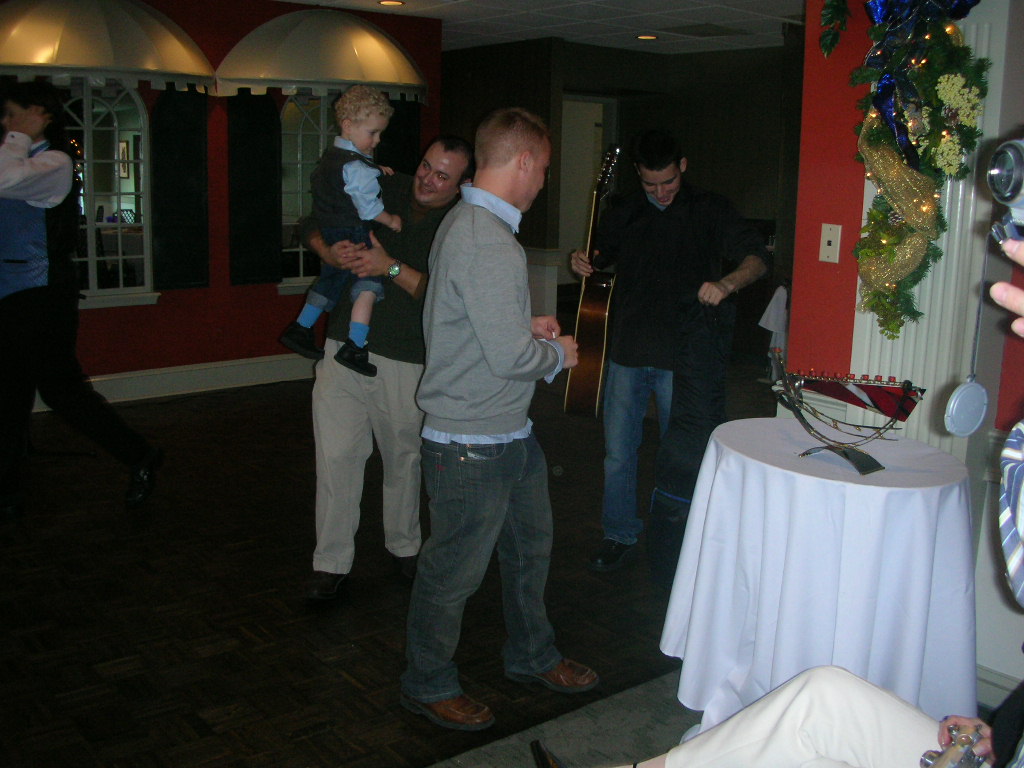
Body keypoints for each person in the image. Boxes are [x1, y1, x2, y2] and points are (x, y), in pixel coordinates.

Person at [400, 107, 598, 731]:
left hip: (506, 433)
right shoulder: (486, 238)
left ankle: (533, 655)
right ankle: (427, 683)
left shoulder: (468, 224)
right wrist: (558, 354)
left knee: (529, 553)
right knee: (452, 573)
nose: (542, 181)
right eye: (543, 168)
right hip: (471, 442)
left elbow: (456, 315)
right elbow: (511, 359)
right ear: (525, 161)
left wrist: (522, 326)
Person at [570, 129, 768, 583]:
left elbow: (757, 259)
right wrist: (582, 261)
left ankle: (686, 541)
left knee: (683, 456)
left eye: (668, 183)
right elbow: (598, 258)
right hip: (628, 350)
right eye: (650, 184)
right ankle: (619, 534)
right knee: (618, 455)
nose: (660, 193)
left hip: (685, 357)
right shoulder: (625, 211)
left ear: (683, 166)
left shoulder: (710, 208)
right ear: (638, 175)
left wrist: (727, 283)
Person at [305, 135, 474, 601]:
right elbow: (312, 221)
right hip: (343, 347)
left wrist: (389, 267)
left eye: (442, 176)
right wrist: (326, 250)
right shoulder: (384, 187)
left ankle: (404, 548)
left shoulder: (461, 225)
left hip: (405, 361)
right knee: (336, 460)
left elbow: (447, 297)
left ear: (462, 185)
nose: (427, 179)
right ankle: (330, 563)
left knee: (403, 461)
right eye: (426, 166)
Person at [0, 81, 161, 520]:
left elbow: (6, 179)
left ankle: (139, 455)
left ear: (39, 115)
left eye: (14, 114)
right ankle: (7, 489)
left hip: (41, 292)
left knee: (61, 390)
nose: (7, 123)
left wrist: (19, 136)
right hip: (10, 292)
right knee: (8, 393)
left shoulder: (54, 161)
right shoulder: (16, 155)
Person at [279, 85, 403, 377]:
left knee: (331, 280)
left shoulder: (332, 158)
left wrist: (375, 169)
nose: (377, 140)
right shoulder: (357, 167)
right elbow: (367, 208)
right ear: (348, 125)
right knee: (369, 286)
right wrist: (390, 222)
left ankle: (301, 327)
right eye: (373, 133)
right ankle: (355, 345)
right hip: (356, 233)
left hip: (333, 231)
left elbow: (348, 180)